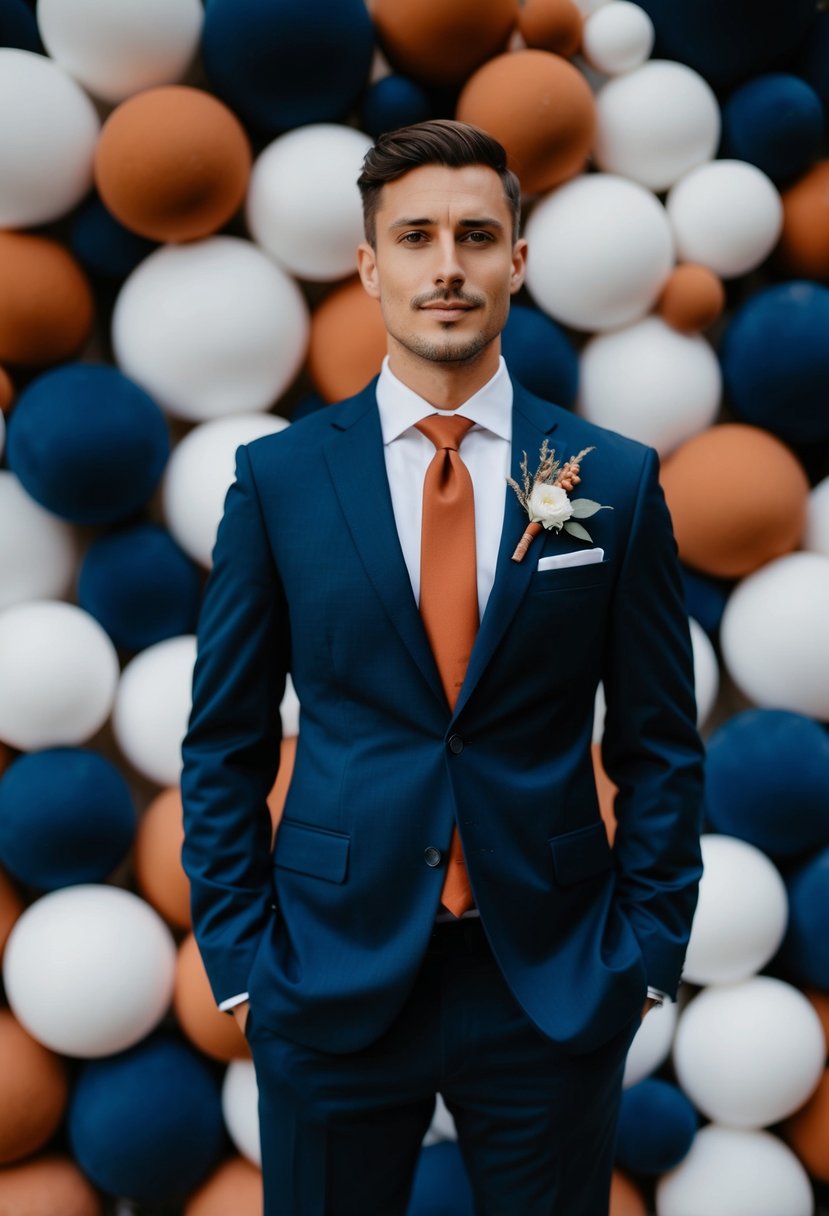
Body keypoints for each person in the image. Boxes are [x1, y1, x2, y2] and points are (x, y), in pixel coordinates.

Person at [181, 119, 703, 1215]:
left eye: (475, 235)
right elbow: (224, 738)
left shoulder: (611, 475)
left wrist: (646, 954)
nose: (448, 266)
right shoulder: (277, 481)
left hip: (551, 974)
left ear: (517, 260)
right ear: (370, 268)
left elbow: (657, 738)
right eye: (415, 237)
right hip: (327, 968)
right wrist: (240, 960)